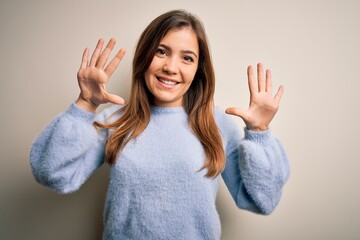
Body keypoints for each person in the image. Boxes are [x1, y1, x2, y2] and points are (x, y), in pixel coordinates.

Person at [30, 9, 290, 240]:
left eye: (187, 58)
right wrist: (84, 105)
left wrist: (259, 134)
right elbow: (53, 174)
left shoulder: (216, 123)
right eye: (161, 51)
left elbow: (261, 201)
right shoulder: (114, 120)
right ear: (145, 56)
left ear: (198, 69)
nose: (170, 67)